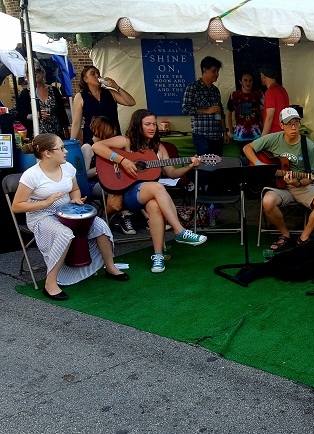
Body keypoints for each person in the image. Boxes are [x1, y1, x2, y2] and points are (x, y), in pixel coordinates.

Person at [11, 133, 129, 301]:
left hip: (68, 211)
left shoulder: (67, 167)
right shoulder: (32, 175)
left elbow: (74, 189)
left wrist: (75, 198)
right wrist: (46, 203)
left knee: (100, 225)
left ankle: (109, 267)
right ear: (48, 153)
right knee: (64, 233)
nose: (66, 151)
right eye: (61, 148)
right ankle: (50, 283)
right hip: (41, 215)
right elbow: (16, 206)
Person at [92, 109, 207, 273]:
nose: (152, 127)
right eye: (147, 124)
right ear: (138, 125)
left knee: (154, 206)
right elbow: (97, 146)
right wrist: (123, 161)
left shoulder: (159, 148)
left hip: (148, 194)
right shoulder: (127, 141)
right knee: (158, 187)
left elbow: (172, 173)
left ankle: (158, 256)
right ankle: (179, 230)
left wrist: (189, 166)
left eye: (154, 124)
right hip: (127, 194)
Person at [243, 107, 314, 251]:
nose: (293, 127)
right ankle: (285, 235)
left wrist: (297, 182)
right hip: (278, 185)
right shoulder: (273, 138)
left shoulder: (309, 146)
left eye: (296, 123)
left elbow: (313, 176)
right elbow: (247, 148)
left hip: (301, 185)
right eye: (289, 124)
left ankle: (304, 237)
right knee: (267, 201)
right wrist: (260, 164)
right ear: (282, 125)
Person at [81, 116, 137, 235]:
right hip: (95, 184)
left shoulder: (109, 147)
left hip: (112, 180)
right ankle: (124, 215)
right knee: (120, 186)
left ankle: (126, 214)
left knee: (130, 184)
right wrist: (101, 170)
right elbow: (84, 174)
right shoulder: (88, 148)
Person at [70, 65, 136, 144]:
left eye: (98, 73)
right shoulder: (81, 96)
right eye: (93, 74)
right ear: (85, 79)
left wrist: (117, 87)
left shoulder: (110, 93)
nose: (97, 75)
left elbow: (131, 102)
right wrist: (72, 141)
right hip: (92, 139)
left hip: (113, 137)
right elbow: (77, 122)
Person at [181, 56, 229, 157]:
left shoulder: (215, 90)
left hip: (217, 135)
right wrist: (207, 111)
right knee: (205, 167)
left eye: (218, 71)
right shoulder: (193, 87)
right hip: (202, 135)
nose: (217, 74)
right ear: (205, 70)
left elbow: (221, 113)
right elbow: (185, 109)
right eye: (214, 71)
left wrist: (224, 132)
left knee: (218, 166)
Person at [17, 59, 70, 139]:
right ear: (27, 75)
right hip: (38, 137)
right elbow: (21, 116)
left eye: (37, 70)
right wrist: (34, 115)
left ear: (43, 72)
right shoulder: (26, 94)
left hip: (57, 135)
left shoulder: (54, 90)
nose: (35, 73)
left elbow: (62, 113)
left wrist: (67, 134)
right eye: (30, 71)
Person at [225, 71, 263, 156]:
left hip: (257, 134)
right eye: (245, 80)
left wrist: (264, 130)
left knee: (257, 160)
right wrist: (230, 130)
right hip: (241, 135)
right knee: (245, 160)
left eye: (250, 80)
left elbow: (263, 112)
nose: (248, 83)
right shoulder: (234, 95)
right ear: (240, 82)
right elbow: (228, 113)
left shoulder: (258, 94)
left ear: (253, 81)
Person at [260, 66, 289, 136]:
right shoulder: (282, 89)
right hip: (284, 131)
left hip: (274, 134)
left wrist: (262, 139)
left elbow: (269, 117)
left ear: (263, 76)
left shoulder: (270, 92)